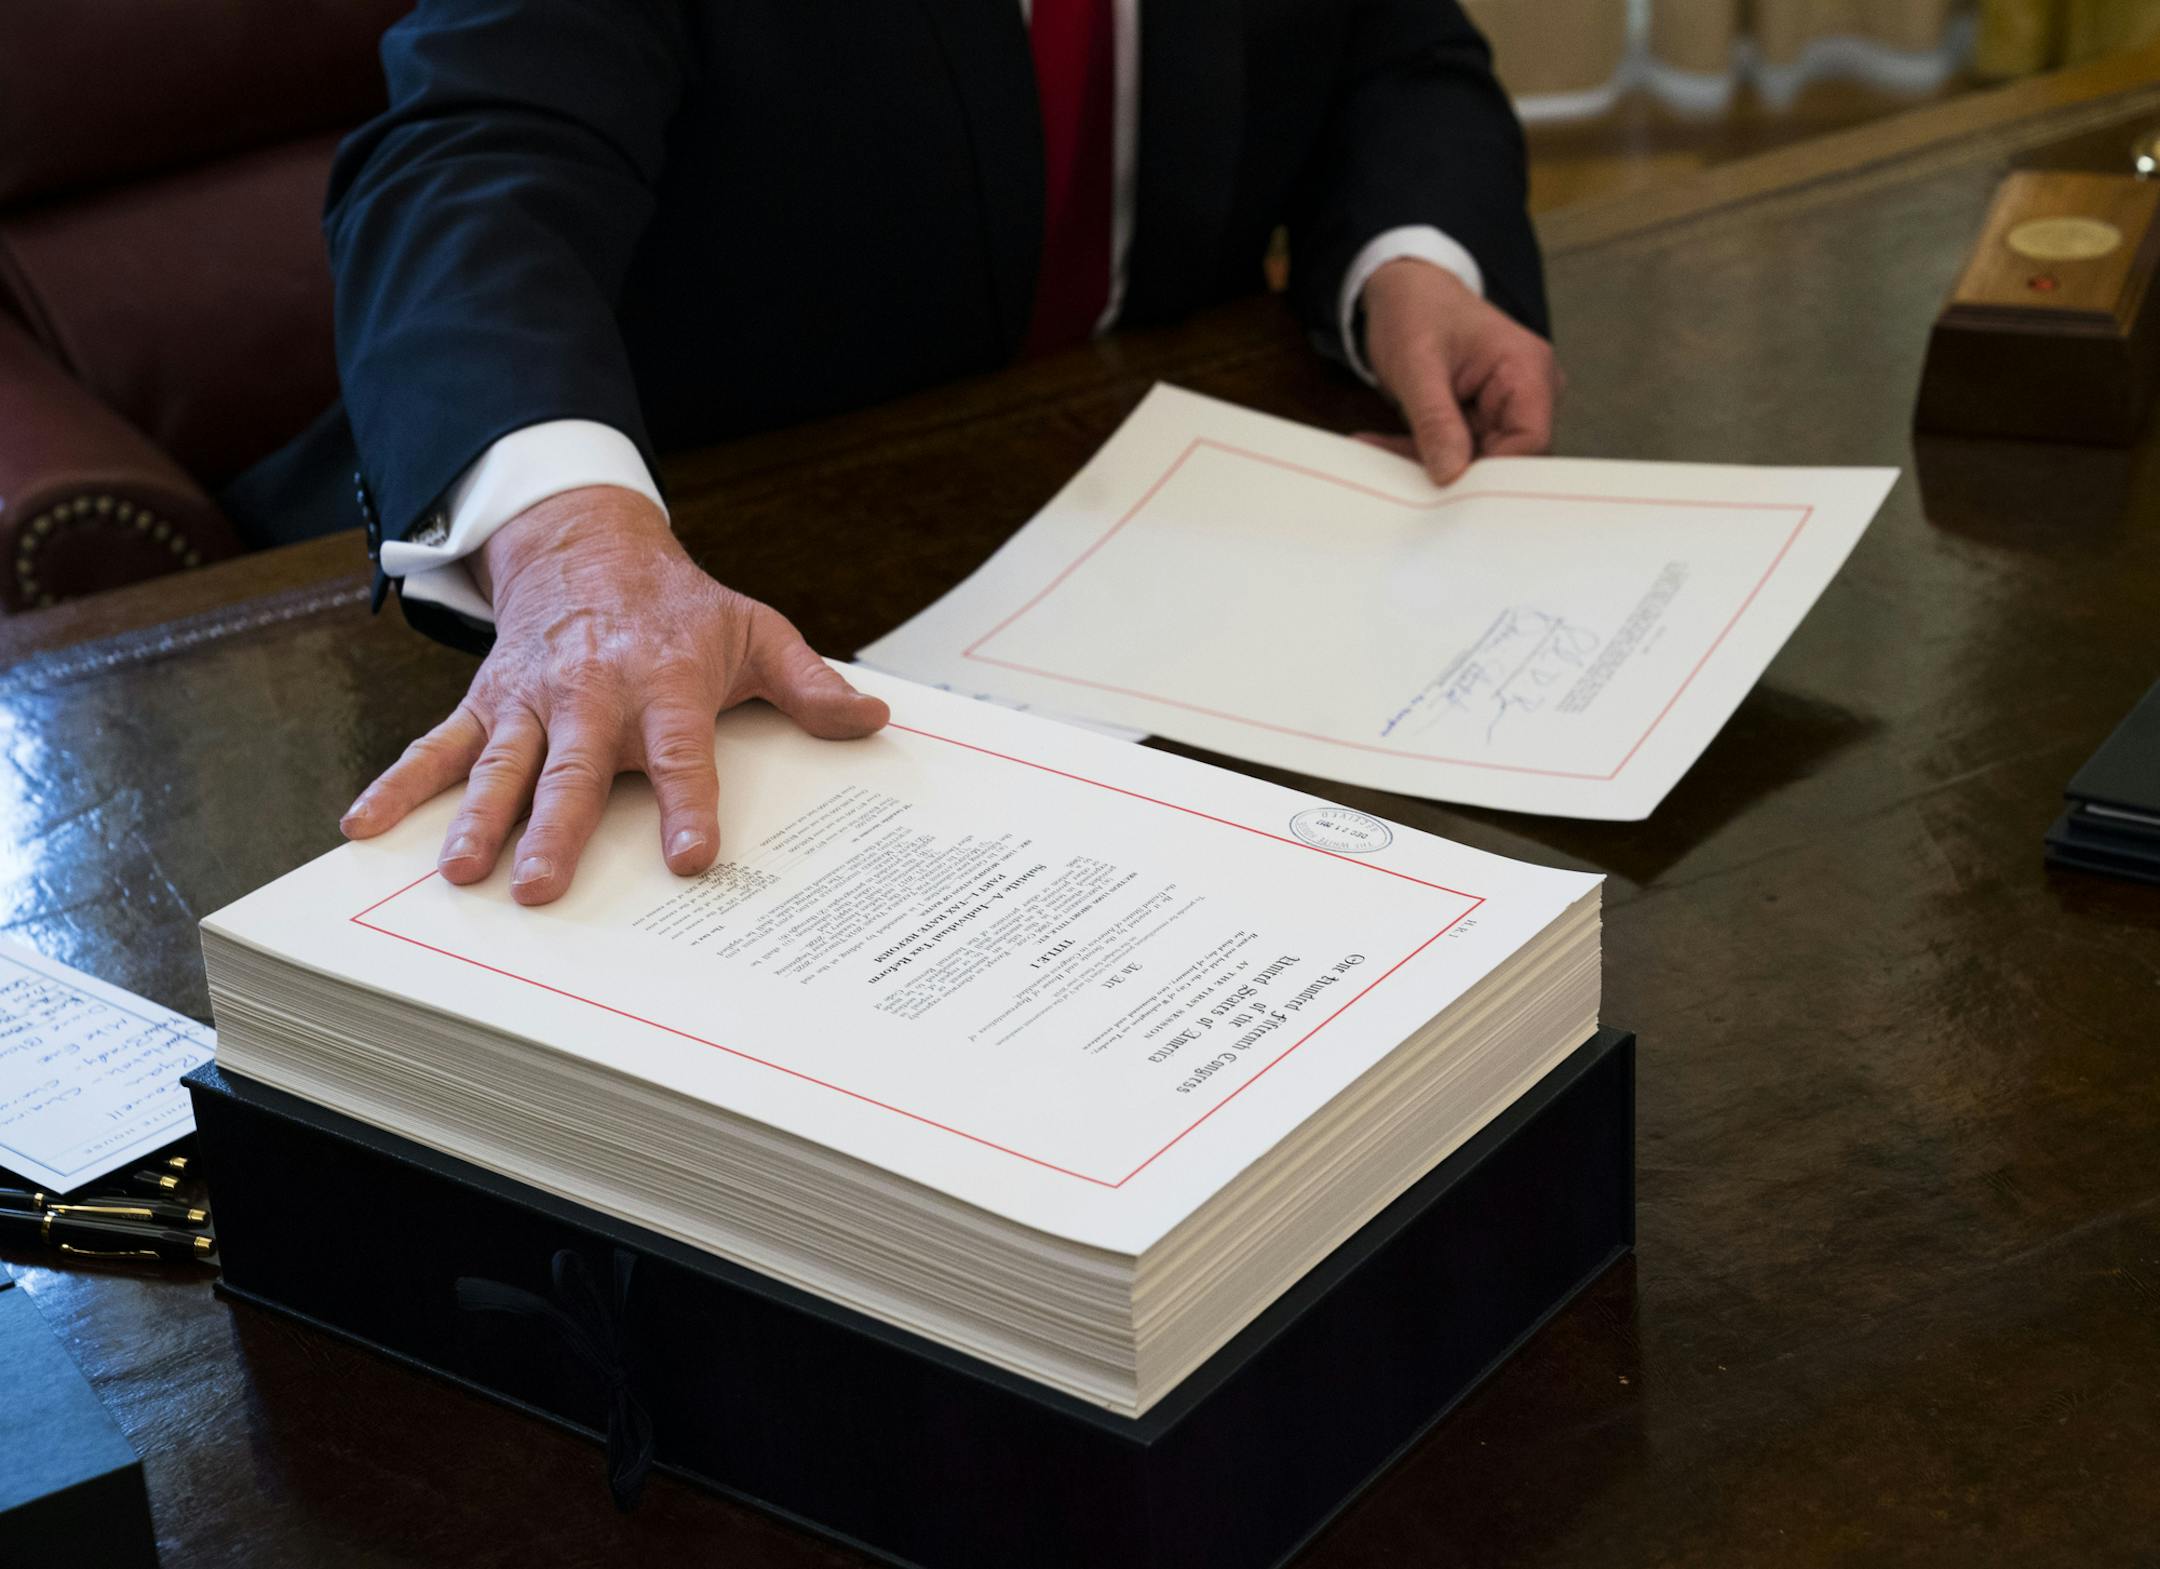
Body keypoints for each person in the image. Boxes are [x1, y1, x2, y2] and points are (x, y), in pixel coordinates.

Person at [315, 0, 1563, 906]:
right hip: (731, 607)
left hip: (1189, 558)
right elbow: (466, 166)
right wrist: (572, 540)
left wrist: (1415, 254)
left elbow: (1395, 54)